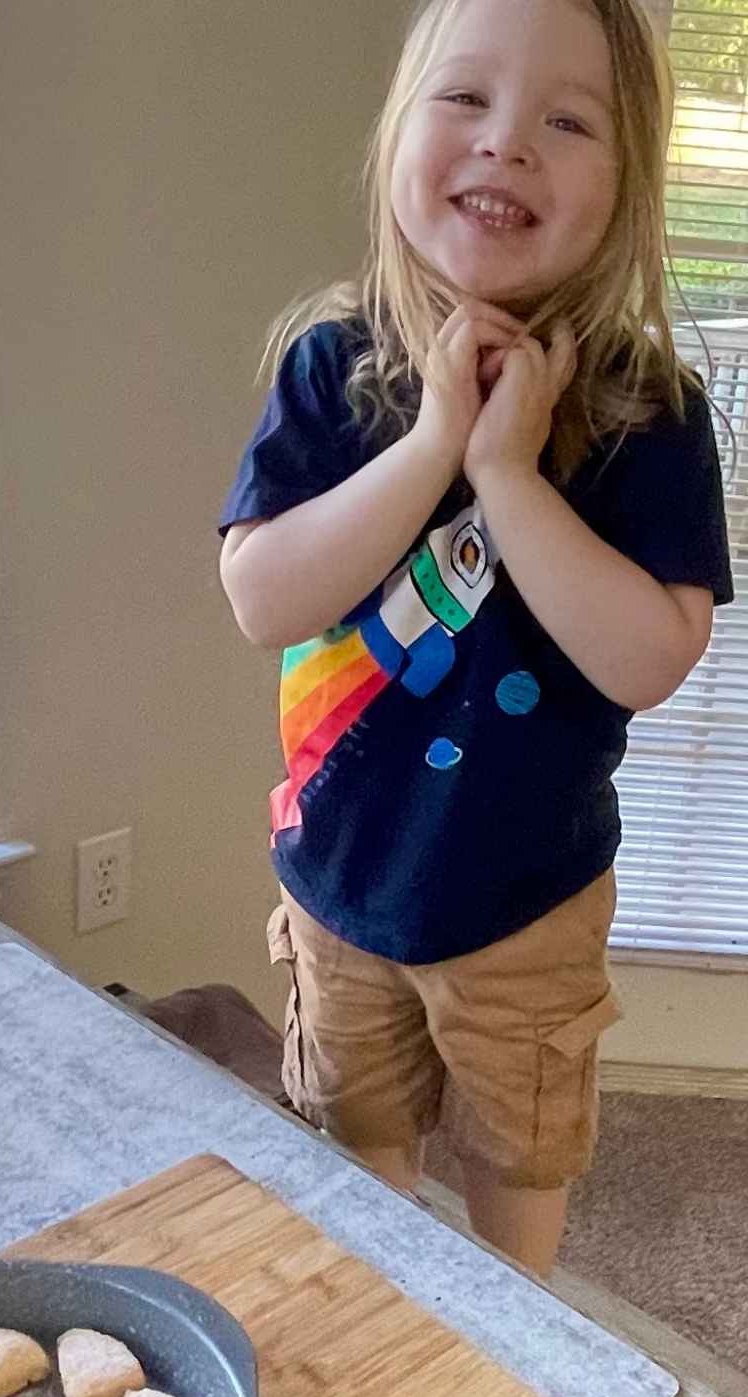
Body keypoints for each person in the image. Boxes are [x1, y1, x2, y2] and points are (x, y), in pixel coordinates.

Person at [217, 0, 734, 1277]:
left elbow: (653, 660)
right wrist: (435, 443)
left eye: (567, 120)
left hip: (529, 903)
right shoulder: (332, 365)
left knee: (520, 1169)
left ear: (626, 184)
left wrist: (508, 471)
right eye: (466, 99)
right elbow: (264, 598)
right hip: (340, 880)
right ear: (399, 130)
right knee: (361, 1156)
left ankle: (517, 1353)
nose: (508, 144)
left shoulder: (648, 407)